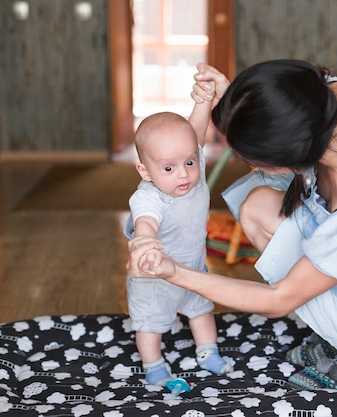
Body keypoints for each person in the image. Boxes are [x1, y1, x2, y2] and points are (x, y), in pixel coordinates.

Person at [127, 59, 337, 390]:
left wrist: (175, 272)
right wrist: (244, 107)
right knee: (259, 206)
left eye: (253, 160)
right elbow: (288, 117)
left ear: (288, 158)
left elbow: (280, 299)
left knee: (275, 234)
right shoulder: (331, 96)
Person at [123, 73, 233, 386]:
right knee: (150, 322)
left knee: (201, 310)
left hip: (194, 265)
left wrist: (203, 101)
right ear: (145, 171)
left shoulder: (191, 167)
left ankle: (207, 351)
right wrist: (144, 239)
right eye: (168, 168)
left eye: (189, 163)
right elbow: (146, 221)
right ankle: (153, 363)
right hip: (155, 273)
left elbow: (194, 134)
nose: (183, 174)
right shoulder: (149, 195)